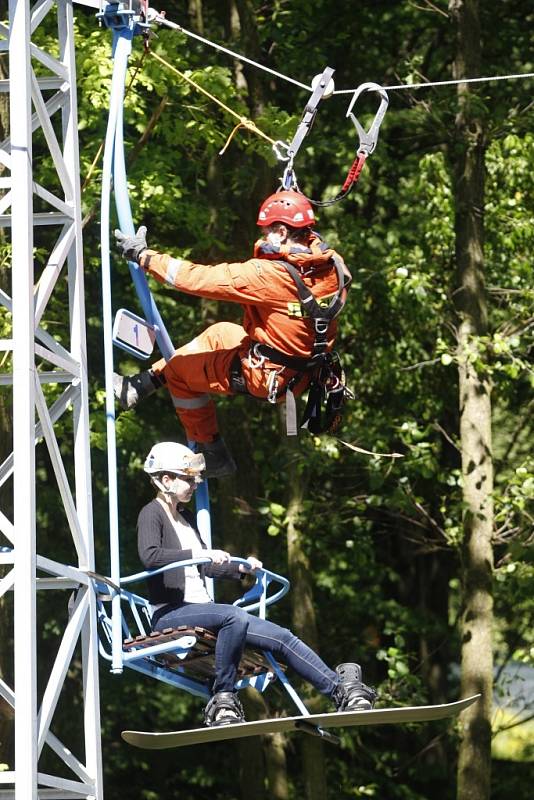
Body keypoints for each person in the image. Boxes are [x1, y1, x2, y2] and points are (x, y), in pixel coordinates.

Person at [114, 190, 351, 479]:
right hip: (302, 373)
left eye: (267, 233)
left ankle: (213, 452)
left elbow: (195, 279)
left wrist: (144, 256)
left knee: (180, 374)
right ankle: (142, 385)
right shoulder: (333, 267)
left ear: (281, 231)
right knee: (221, 333)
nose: (263, 239)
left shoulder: (268, 275)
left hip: (267, 376)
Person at [138, 441, 377, 727]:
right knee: (233, 616)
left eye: (195, 478)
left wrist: (241, 568)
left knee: (283, 637)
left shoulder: (187, 519)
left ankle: (340, 691)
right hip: (171, 612)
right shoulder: (151, 513)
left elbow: (206, 566)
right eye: (188, 479)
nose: (194, 484)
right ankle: (223, 698)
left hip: (204, 610)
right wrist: (199, 553)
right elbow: (150, 556)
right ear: (166, 480)